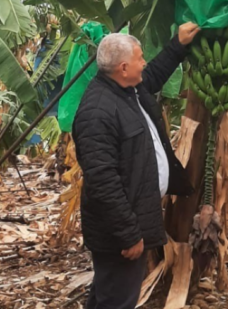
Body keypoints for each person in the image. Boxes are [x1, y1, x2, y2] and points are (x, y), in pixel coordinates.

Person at [72, 24, 200, 309]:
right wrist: (129, 234)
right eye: (140, 58)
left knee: (107, 294)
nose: (144, 63)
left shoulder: (127, 89)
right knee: (118, 300)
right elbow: (103, 181)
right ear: (123, 67)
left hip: (128, 221)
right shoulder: (97, 112)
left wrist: (177, 45)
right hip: (117, 232)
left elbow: (152, 75)